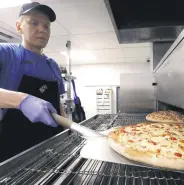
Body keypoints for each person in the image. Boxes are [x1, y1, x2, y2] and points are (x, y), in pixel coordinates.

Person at [0, 2, 66, 162]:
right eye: (34, 23)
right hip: (13, 153)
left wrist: (67, 132)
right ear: (19, 26)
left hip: (52, 149)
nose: (42, 29)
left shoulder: (53, 65)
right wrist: (22, 101)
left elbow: (59, 106)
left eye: (46, 26)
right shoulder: (6, 53)